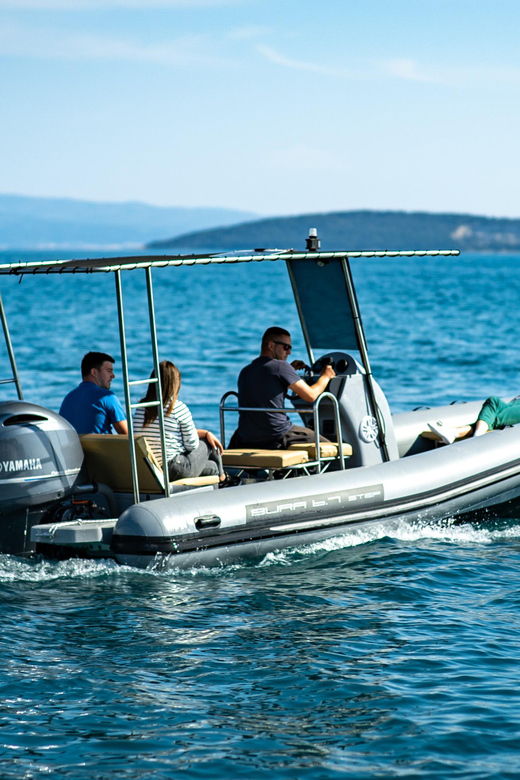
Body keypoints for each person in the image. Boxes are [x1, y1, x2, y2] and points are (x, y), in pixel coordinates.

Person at [229, 326, 336, 449]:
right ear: (271, 345)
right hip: (276, 435)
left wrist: (290, 371)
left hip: (247, 437)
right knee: (331, 448)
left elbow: (267, 385)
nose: (289, 352)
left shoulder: (246, 370)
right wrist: (326, 376)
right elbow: (311, 395)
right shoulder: (281, 367)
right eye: (286, 347)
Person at [133, 360, 225, 481]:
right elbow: (192, 445)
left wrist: (204, 432)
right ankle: (222, 474)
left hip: (150, 468)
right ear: (176, 384)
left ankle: (220, 473)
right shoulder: (177, 408)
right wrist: (206, 435)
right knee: (207, 443)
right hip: (174, 467)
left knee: (212, 467)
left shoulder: (141, 408)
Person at [59, 351, 128, 435]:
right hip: (103, 448)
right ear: (94, 372)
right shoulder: (107, 397)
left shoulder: (68, 398)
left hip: (74, 448)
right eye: (109, 371)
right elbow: (127, 435)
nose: (113, 375)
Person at [428, 395, 520, 444]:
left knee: (496, 419)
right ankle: (474, 435)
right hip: (512, 404)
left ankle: (466, 435)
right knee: (493, 400)